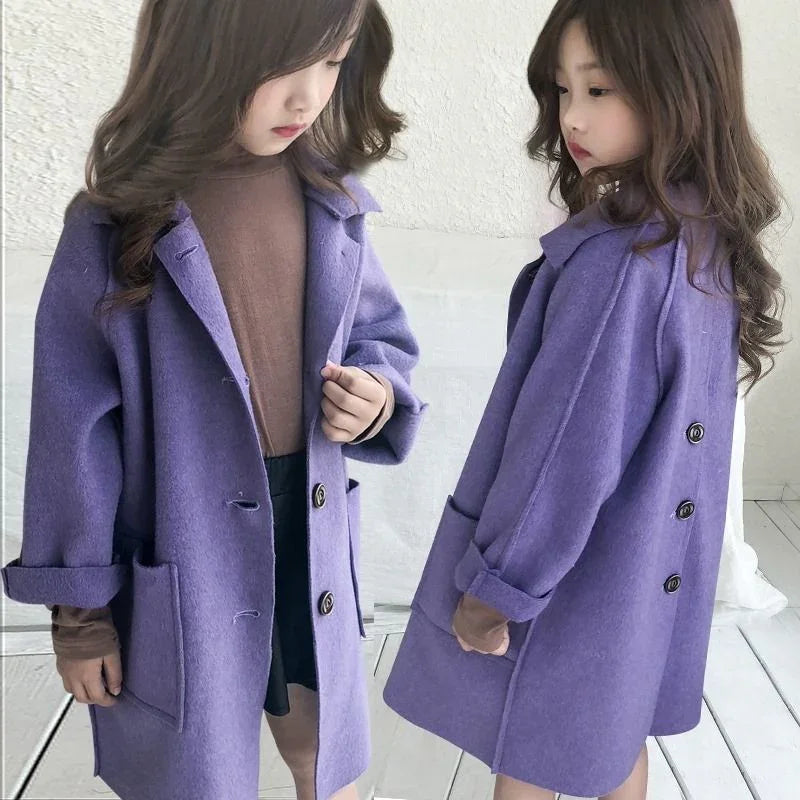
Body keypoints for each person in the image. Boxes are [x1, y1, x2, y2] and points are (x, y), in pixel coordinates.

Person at [1, 1, 426, 798]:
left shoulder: (329, 199)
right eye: (283, 65)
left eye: (332, 63)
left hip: (307, 521)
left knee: (322, 748)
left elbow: (379, 337)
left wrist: (374, 397)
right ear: (199, 50)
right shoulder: (115, 224)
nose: (308, 97)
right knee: (197, 771)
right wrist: (81, 617)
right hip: (186, 539)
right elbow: (73, 434)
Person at [383, 1, 787, 799]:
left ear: (682, 87)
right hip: (635, 581)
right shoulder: (701, 234)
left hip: (573, 584)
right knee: (611, 740)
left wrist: (495, 588)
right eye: (563, 89)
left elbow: (564, 455)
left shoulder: (620, 264)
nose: (572, 116)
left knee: (530, 754)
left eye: (599, 89)